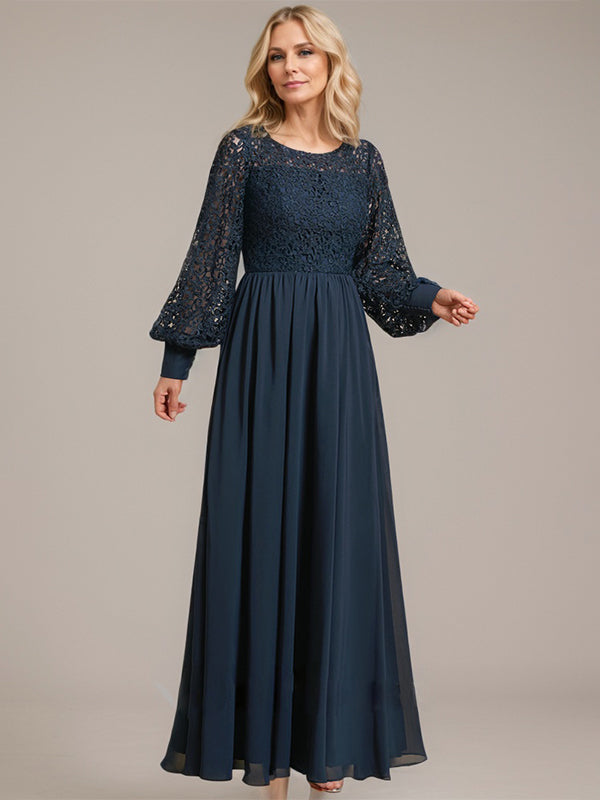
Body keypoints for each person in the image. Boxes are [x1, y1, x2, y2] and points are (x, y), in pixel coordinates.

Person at [149, 5, 478, 797]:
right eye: (277, 55)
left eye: (304, 52)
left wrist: (432, 297)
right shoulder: (243, 151)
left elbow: (380, 270)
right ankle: (270, 764)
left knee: (336, 536)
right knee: (260, 536)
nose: (290, 66)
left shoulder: (364, 162)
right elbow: (210, 256)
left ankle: (324, 751)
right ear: (264, 69)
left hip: (338, 363)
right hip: (262, 356)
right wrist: (177, 360)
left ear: (331, 63)